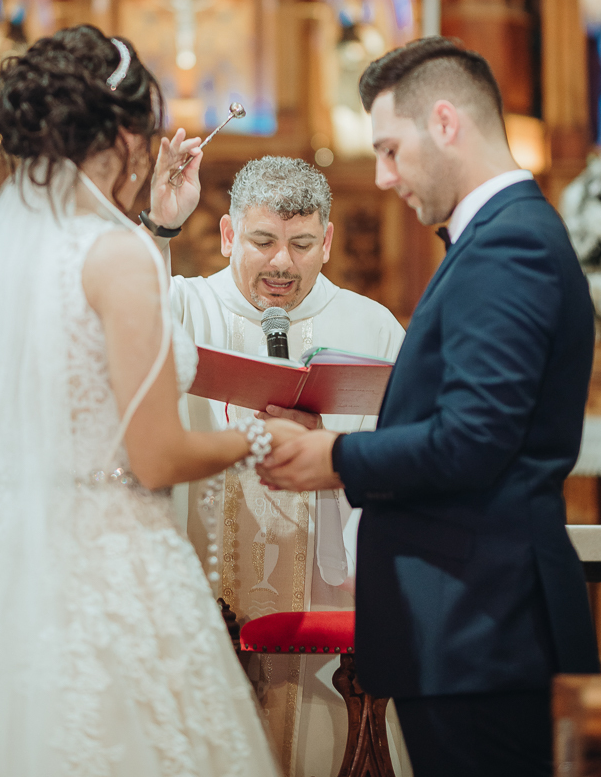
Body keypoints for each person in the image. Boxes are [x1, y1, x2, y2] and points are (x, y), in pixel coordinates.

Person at [0, 25, 298, 777]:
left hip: (4, 559)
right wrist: (264, 439)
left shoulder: (13, 254)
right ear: (129, 136)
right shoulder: (114, 255)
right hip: (105, 566)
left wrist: (156, 223)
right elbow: (156, 454)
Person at [259, 37, 601, 777]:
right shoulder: (491, 240)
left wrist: (335, 460)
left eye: (389, 149)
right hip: (468, 627)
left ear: (445, 122)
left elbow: (473, 441)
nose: (381, 177)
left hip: (484, 629)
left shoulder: (510, 247)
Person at [141, 151, 410, 777]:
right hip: (206, 588)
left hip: (328, 602)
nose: (282, 262)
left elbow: (407, 453)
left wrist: (338, 454)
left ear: (328, 240)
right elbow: (130, 322)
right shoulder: (186, 307)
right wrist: (159, 227)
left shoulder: (370, 328)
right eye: (262, 241)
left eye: (301, 243)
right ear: (229, 233)